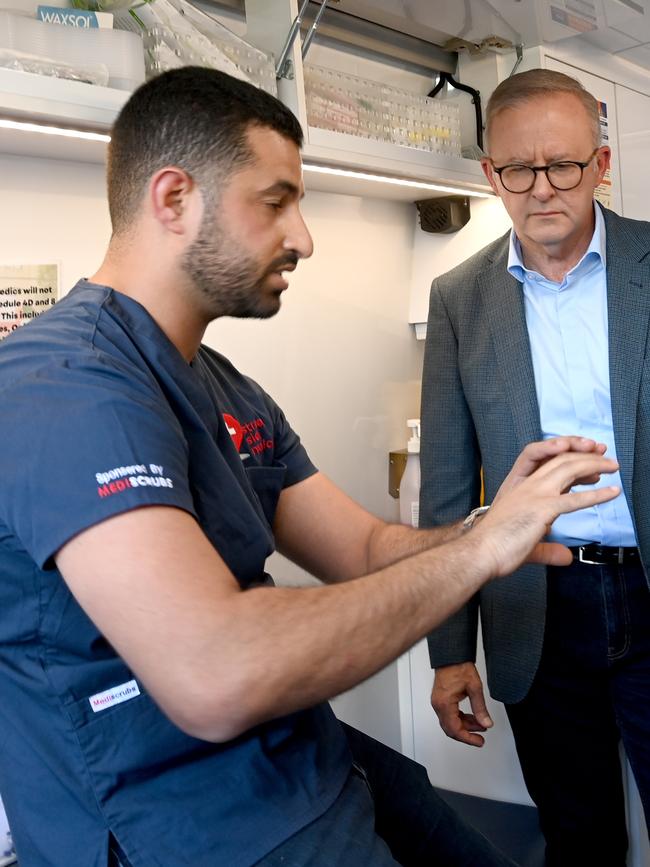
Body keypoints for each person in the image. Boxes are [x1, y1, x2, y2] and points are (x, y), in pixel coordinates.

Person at [0, 67, 618, 867]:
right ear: (174, 198)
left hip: (301, 762)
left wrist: (490, 522)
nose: (304, 236)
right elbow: (215, 670)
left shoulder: (223, 385)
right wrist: (477, 554)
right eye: (276, 201)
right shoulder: (65, 385)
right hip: (180, 818)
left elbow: (362, 549)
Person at [420, 67, 650, 867]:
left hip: (648, 585)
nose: (541, 188)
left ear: (603, 162)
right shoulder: (457, 297)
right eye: (518, 169)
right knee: (578, 835)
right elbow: (447, 482)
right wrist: (449, 650)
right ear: (490, 174)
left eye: (565, 165)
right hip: (536, 605)